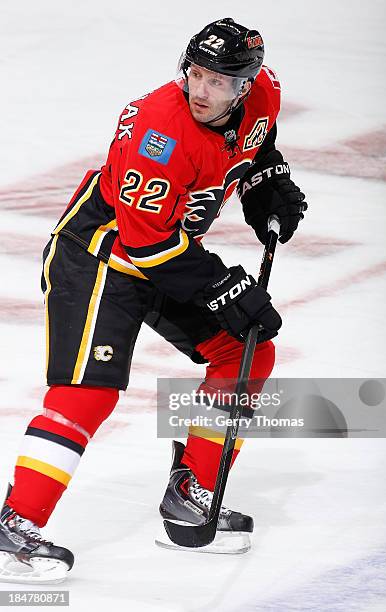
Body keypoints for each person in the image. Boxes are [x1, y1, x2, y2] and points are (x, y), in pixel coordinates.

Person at [0, 17, 307, 582]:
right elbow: (149, 243)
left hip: (168, 253)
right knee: (88, 393)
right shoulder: (155, 133)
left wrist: (268, 184)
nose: (200, 89)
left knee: (245, 352)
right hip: (103, 255)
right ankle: (13, 527)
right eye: (196, 73)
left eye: (218, 81)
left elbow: (255, 145)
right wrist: (227, 289)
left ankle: (193, 493)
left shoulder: (265, 95)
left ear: (246, 84)